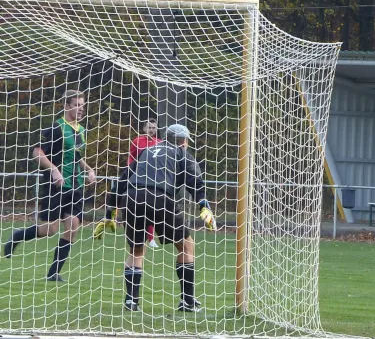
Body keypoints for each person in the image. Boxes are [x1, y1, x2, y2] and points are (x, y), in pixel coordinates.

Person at [99, 124, 216, 312]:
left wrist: (109, 213)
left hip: (132, 196)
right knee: (186, 246)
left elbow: (122, 180)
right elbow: (197, 183)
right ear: (183, 141)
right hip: (160, 197)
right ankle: (187, 301)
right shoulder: (181, 153)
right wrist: (204, 206)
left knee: (136, 250)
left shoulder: (146, 151)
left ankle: (131, 301)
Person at [3, 90, 96, 282]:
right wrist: (54, 169)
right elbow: (37, 152)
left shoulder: (81, 130)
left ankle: (53, 273)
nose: (81, 108)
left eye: (82, 104)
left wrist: (89, 169)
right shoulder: (56, 128)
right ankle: (18, 236)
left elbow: (76, 157)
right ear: (66, 106)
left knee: (73, 228)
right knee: (50, 230)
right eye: (77, 104)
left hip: (75, 187)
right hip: (56, 186)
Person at [96, 118, 162, 248]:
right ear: (144, 129)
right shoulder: (137, 141)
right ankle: (118, 222)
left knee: (151, 208)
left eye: (154, 128)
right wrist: (131, 170)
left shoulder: (160, 143)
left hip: (152, 181)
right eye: (149, 127)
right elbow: (131, 156)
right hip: (137, 179)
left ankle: (151, 238)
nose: (152, 130)